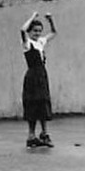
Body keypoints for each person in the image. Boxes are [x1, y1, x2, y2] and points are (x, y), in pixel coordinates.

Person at [19, 11, 56, 148]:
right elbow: (22, 30)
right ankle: (31, 136)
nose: (37, 33)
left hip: (42, 76)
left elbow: (53, 33)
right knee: (32, 104)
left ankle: (44, 134)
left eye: (39, 31)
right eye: (34, 31)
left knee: (43, 103)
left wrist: (50, 20)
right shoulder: (27, 43)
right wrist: (32, 17)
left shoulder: (41, 41)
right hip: (32, 77)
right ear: (30, 32)